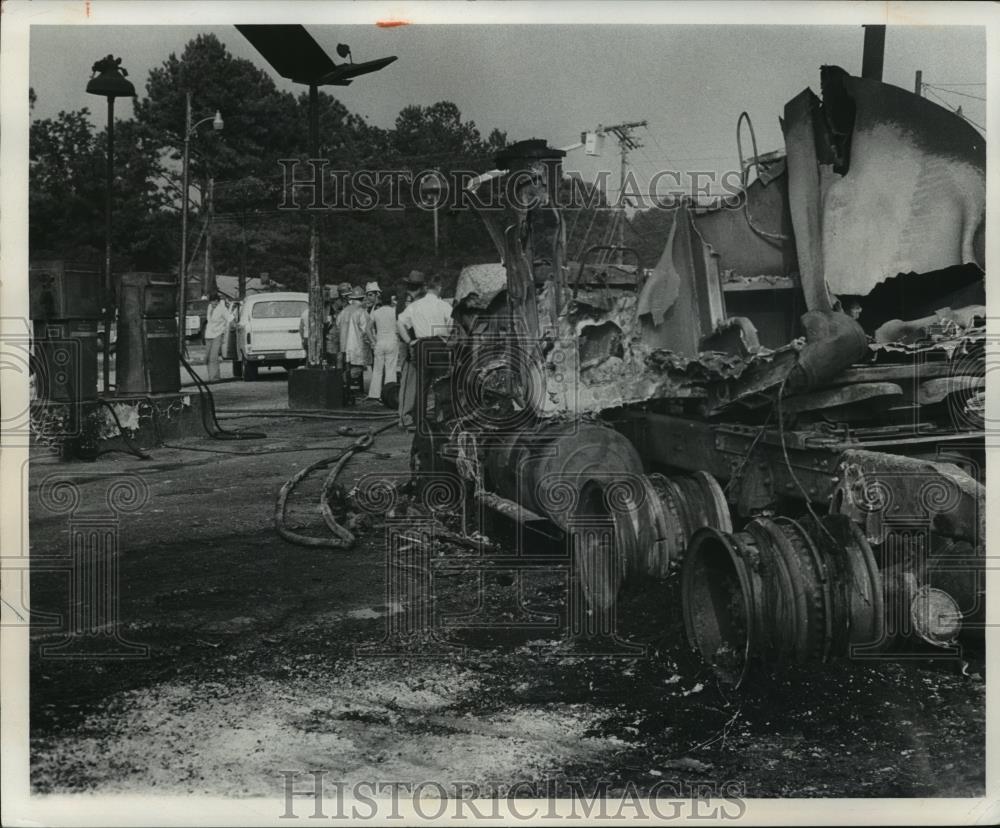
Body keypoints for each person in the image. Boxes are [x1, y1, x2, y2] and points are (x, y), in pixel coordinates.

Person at [397, 271, 453, 441]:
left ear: (427, 288)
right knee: (441, 384)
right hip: (438, 344)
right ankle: (440, 419)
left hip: (421, 345)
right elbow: (451, 324)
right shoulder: (443, 306)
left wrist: (409, 341)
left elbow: (400, 322)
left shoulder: (415, 305)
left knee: (422, 384)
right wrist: (447, 338)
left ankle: (420, 422)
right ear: (440, 288)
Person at [338, 285, 372, 396]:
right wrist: (371, 343)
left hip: (344, 346)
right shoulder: (362, 312)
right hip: (357, 345)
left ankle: (348, 391)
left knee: (347, 370)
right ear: (362, 299)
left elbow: (338, 325)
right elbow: (366, 330)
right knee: (356, 370)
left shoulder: (343, 312)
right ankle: (355, 392)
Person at [367, 289, 399, 402]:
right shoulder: (394, 311)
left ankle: (374, 394)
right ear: (391, 300)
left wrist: (372, 341)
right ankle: (389, 395)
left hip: (379, 342)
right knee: (391, 368)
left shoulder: (376, 312)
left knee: (377, 369)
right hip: (392, 341)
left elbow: (368, 329)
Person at [204, 291, 232, 382]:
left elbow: (230, 318)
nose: (214, 303)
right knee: (207, 357)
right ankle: (210, 376)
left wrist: (234, 325)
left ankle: (215, 378)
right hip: (208, 334)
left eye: (216, 301)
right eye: (212, 301)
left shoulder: (222, 308)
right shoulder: (209, 307)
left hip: (217, 334)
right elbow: (209, 321)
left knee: (213, 357)